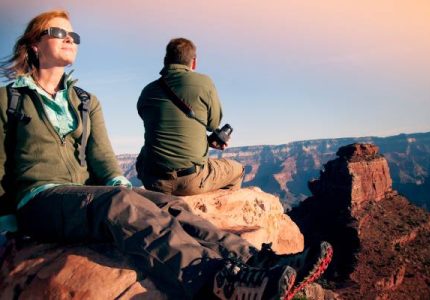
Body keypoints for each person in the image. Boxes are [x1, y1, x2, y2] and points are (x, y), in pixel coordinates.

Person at [0, 10, 333, 300]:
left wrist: (129, 189)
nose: (69, 38)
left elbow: (103, 161)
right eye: (57, 32)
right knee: (121, 205)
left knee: (165, 204)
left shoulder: (86, 101)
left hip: (82, 197)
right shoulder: (10, 99)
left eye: (73, 34)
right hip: (39, 200)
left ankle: (256, 260)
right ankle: (215, 281)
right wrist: (6, 230)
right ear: (33, 44)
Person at [136, 38, 245, 196]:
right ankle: (212, 214)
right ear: (193, 62)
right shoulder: (204, 82)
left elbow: (154, 122)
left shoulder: (147, 91)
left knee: (146, 149)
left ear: (166, 61)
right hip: (191, 180)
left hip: (153, 182)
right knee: (238, 170)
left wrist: (204, 142)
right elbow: (213, 124)